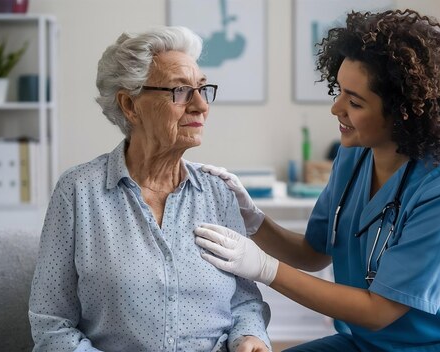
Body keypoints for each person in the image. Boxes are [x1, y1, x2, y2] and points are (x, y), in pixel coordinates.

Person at [194, 9, 440, 352]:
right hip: (365, 343)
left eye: (355, 102)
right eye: (339, 92)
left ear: (405, 112)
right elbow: (312, 254)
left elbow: (379, 311)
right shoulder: (354, 155)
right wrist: (254, 220)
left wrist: (264, 268)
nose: (336, 109)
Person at [29, 26, 271, 352]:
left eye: (202, 88)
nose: (201, 105)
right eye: (181, 91)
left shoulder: (218, 192)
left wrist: (250, 337)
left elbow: (244, 303)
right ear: (130, 105)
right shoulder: (77, 192)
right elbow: (51, 323)